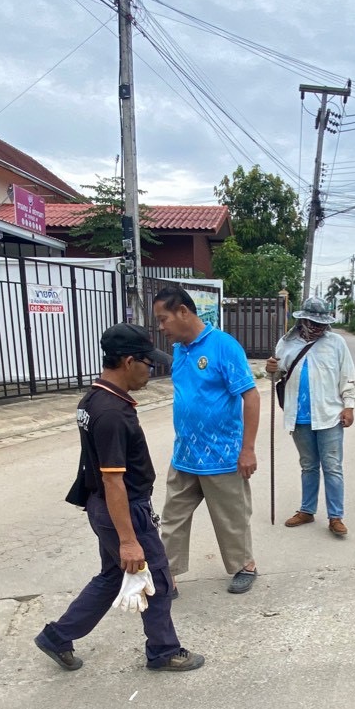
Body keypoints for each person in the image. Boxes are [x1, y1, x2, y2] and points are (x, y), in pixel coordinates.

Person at [34, 322, 204, 673]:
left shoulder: (94, 399)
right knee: (156, 580)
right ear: (129, 362)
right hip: (123, 509)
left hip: (106, 508)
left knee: (113, 576)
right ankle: (163, 651)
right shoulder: (111, 412)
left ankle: (58, 636)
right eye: (148, 363)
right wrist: (128, 540)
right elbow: (113, 480)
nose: (150, 371)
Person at [152, 284, 262, 594]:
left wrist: (248, 449)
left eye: (163, 319)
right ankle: (168, 576)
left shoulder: (223, 346)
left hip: (222, 455)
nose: (161, 327)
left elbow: (251, 397)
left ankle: (245, 565)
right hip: (185, 453)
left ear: (183, 312)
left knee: (231, 517)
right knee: (173, 518)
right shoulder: (180, 349)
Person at [265, 298, 355, 537]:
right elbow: (276, 376)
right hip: (298, 417)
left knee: (332, 467)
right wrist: (270, 370)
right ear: (303, 320)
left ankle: (335, 516)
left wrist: (349, 406)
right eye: (313, 322)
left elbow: (348, 376)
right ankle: (307, 510)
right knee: (308, 466)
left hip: (329, 415)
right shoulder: (286, 343)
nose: (318, 327)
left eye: (321, 323)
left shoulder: (336, 343)